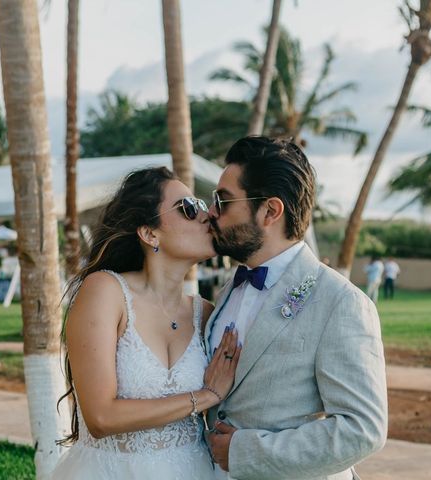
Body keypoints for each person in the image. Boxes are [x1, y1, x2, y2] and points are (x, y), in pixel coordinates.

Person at [205, 136, 387, 479]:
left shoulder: (341, 302)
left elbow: (362, 429)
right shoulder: (230, 288)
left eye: (223, 201)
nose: (211, 212)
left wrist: (246, 451)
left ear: (271, 211)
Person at [52, 167, 240, 480]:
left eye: (203, 206)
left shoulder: (207, 313)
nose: (206, 215)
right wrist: (205, 396)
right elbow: (100, 417)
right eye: (188, 208)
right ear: (150, 233)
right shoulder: (106, 292)